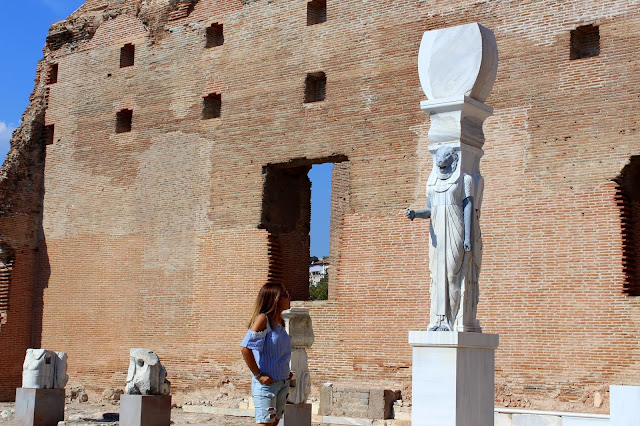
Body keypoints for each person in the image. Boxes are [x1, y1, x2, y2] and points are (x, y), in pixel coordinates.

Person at [241, 282, 292, 425]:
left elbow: (280, 352)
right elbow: (245, 348)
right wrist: (258, 375)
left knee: (274, 424)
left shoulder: (280, 323)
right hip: (266, 385)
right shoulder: (263, 319)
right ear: (275, 298)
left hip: (282, 382)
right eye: (285, 295)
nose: (289, 297)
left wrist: (285, 371)